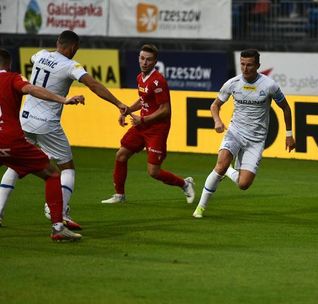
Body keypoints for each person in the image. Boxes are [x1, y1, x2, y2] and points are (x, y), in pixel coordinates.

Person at [0, 30, 129, 231]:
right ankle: (59, 212)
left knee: (15, 166)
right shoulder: (71, 66)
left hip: (24, 121)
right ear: (73, 47)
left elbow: (36, 59)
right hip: (47, 124)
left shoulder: (41, 54)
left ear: (58, 42)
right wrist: (118, 103)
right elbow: (93, 85)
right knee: (67, 167)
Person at [192, 49, 295, 218]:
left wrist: (289, 134)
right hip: (235, 132)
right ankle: (200, 208)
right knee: (220, 165)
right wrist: (217, 120)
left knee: (243, 184)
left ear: (258, 66)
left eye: (249, 65)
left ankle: (229, 171)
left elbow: (286, 107)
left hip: (256, 139)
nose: (245, 68)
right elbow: (214, 105)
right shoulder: (232, 83)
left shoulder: (269, 85)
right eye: (242, 64)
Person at [0, 48, 83, 241]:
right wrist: (63, 99)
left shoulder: (40, 56)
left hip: (20, 129)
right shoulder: (13, 78)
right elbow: (32, 89)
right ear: (8, 64)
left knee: (13, 167)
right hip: (11, 138)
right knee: (53, 174)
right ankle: (57, 227)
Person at [101, 44, 195, 205]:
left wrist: (142, 119)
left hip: (157, 129)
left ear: (155, 62)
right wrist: (128, 110)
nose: (144, 62)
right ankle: (119, 195)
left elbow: (165, 110)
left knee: (153, 171)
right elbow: (143, 100)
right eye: (142, 58)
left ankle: (185, 184)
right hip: (142, 126)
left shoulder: (158, 81)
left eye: (149, 60)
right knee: (121, 155)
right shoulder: (140, 77)